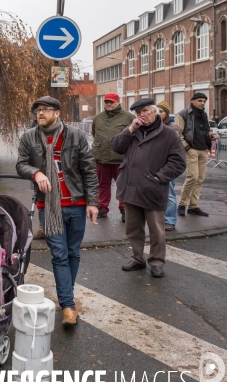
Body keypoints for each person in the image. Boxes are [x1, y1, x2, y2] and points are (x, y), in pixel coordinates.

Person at [16, 96, 99, 327]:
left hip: (76, 203)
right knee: (60, 254)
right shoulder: (29, 137)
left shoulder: (75, 135)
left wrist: (93, 203)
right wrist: (36, 172)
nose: (40, 113)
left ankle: (66, 296)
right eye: (37, 110)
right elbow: (21, 164)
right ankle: (68, 306)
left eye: (45, 110)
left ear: (57, 113)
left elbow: (89, 171)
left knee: (73, 253)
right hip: (48, 206)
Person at [111, 99, 186, 279]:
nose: (141, 115)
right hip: (131, 188)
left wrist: (159, 177)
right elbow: (116, 147)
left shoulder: (169, 134)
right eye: (138, 113)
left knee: (156, 230)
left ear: (155, 112)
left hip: (153, 189)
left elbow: (178, 162)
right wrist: (129, 130)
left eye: (144, 111)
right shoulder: (133, 131)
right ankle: (137, 258)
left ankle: (157, 262)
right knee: (133, 228)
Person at [91, 92, 135, 222]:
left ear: (118, 102)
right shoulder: (98, 118)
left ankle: (125, 210)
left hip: (120, 159)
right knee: (102, 185)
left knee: (123, 185)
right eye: (106, 102)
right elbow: (94, 134)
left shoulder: (129, 117)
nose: (109, 104)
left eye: (111, 102)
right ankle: (102, 207)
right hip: (102, 158)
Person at [175, 93, 220, 217]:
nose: (202, 103)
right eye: (200, 100)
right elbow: (178, 133)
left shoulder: (204, 115)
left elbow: (207, 130)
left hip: (203, 149)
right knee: (193, 177)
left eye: (204, 101)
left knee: (200, 179)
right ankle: (182, 204)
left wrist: (212, 135)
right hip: (191, 149)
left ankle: (193, 206)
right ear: (193, 101)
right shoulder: (183, 114)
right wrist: (187, 147)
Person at [157, 101, 179, 232]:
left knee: (169, 193)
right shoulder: (151, 126)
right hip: (154, 165)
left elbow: (175, 150)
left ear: (166, 113)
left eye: (162, 111)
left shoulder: (172, 127)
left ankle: (170, 220)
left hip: (168, 165)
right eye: (157, 111)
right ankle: (159, 220)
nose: (159, 114)